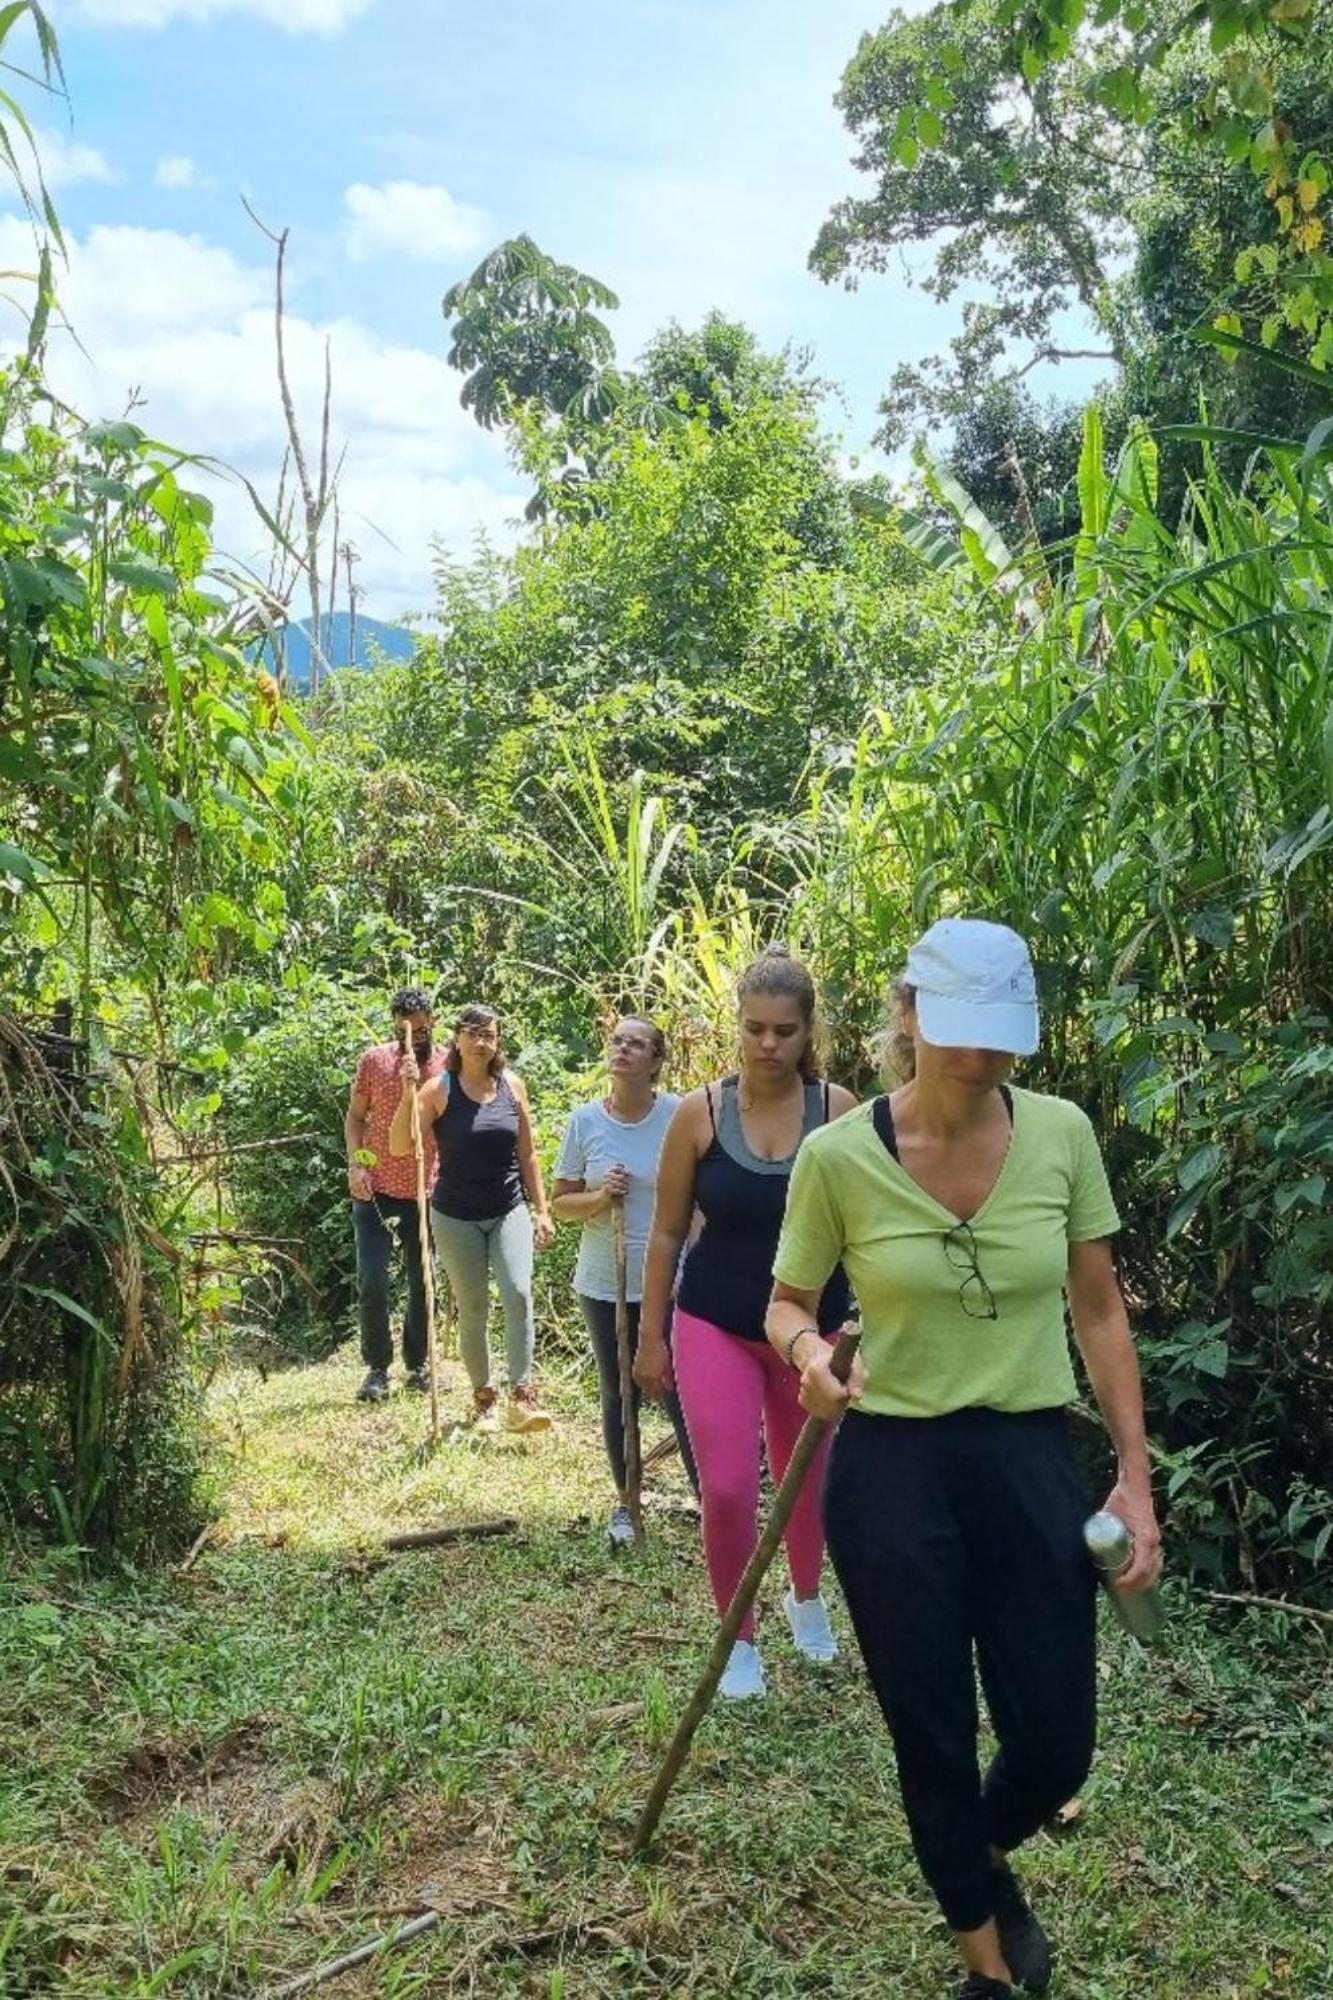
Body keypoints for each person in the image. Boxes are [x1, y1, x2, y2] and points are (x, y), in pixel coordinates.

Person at [767, 917, 1163, 2000]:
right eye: (957, 1035)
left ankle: (978, 1855)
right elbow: (786, 1299)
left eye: (999, 1039)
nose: (979, 1060)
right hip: (891, 1467)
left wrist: (1133, 1475)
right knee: (930, 1724)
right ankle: (985, 1962)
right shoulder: (837, 1156)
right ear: (906, 1015)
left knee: (1054, 1739)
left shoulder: (1061, 1133)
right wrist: (806, 1353)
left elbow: (1098, 1310)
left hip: (1027, 1454)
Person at [637, 947, 856, 1699]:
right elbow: (665, 1233)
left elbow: (866, 1230)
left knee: (808, 1482)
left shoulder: (838, 1111)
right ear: (737, 1027)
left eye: (784, 1031)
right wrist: (649, 1337)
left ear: (806, 1032)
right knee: (728, 1489)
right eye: (755, 1028)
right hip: (716, 1322)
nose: (768, 1045)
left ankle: (805, 1596)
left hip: (810, 1330)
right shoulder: (698, 1113)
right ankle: (736, 1635)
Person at [552, 1015, 698, 1545]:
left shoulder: (680, 1114)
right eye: (617, 1041)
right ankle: (626, 1501)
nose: (623, 1050)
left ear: (656, 1060)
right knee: (619, 1393)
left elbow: (702, 1196)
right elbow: (561, 1203)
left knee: (682, 1391)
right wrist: (599, 1197)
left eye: (637, 1044)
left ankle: (710, 1500)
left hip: (675, 1282)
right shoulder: (585, 1122)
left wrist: (696, 1262)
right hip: (605, 1283)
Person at [391, 1002, 554, 1433]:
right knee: (474, 1306)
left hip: (507, 1208)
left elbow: (528, 1153)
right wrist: (408, 1095)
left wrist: (541, 1209)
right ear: (458, 1039)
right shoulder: (438, 1089)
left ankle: (522, 1393)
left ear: (498, 1042)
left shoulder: (512, 1086)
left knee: (518, 1292)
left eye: (490, 1035)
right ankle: (484, 1397)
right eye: (473, 1034)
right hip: (455, 1214)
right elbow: (402, 1146)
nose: (482, 1042)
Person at [345, 987, 446, 1403]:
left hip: (428, 1189)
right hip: (376, 1189)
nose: (413, 1037)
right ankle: (376, 1367)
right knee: (372, 1280)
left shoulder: (446, 1064)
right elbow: (354, 1116)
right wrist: (356, 1165)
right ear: (394, 1023)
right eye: (405, 1028)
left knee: (423, 1280)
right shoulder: (374, 1061)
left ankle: (419, 1362)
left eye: (421, 1029)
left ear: (432, 1023)